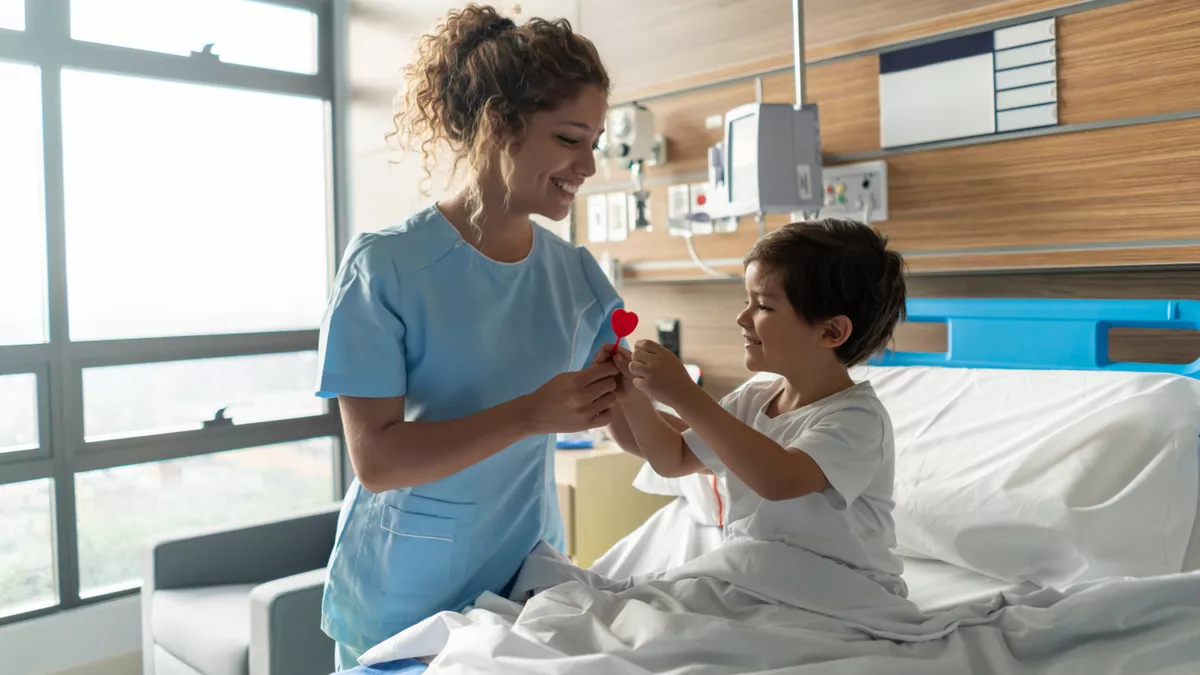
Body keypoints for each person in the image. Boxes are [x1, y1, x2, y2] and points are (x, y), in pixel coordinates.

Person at [315, 5, 622, 667]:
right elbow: (377, 459)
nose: (588, 166)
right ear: (496, 124)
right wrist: (534, 412)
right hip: (403, 597)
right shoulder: (386, 267)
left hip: (522, 589)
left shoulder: (577, 279)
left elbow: (629, 419)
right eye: (570, 138)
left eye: (595, 142)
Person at [597, 218, 910, 595]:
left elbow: (778, 479)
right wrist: (627, 398)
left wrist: (684, 394)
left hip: (839, 593)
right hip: (759, 581)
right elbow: (673, 457)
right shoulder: (754, 399)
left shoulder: (858, 420)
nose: (742, 318)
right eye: (747, 301)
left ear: (831, 332)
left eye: (762, 306)